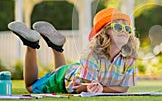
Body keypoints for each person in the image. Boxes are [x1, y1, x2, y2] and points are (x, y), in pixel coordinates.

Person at [8, 7, 140, 94]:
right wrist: (92, 88)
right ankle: (31, 44)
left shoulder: (129, 57)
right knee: (31, 87)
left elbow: (123, 88)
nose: (123, 30)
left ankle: (57, 46)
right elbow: (87, 88)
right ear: (104, 33)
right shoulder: (92, 53)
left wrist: (98, 89)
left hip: (75, 71)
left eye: (127, 28)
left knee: (61, 70)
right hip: (66, 78)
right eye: (117, 27)